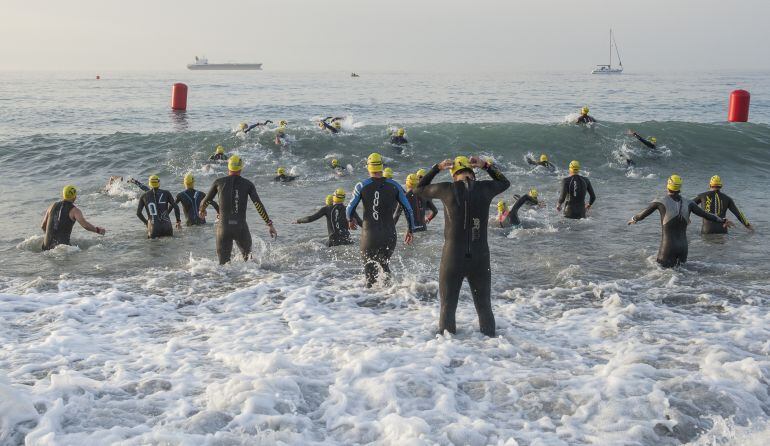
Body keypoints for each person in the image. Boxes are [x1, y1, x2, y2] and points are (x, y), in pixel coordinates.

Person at [413, 155, 510, 337]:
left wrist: (437, 167)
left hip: (452, 258)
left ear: (453, 174)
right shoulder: (486, 188)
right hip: (480, 257)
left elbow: (418, 189)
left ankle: (448, 355)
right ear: (472, 173)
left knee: (447, 308)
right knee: (484, 307)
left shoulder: (446, 189)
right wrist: (486, 166)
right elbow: (505, 182)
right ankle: (493, 352)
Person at [628, 175, 730, 268]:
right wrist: (723, 220)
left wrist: (634, 219)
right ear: (679, 187)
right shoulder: (689, 203)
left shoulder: (659, 201)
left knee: (663, 278)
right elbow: (706, 215)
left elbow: (642, 214)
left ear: (668, 186)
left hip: (668, 248)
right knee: (682, 278)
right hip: (683, 248)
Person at [347, 152, 415, 287]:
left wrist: (350, 220)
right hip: (389, 235)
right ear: (382, 167)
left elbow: (349, 208)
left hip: (370, 235)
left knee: (369, 271)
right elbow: (408, 209)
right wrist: (410, 230)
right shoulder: (394, 185)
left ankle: (370, 303)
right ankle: (391, 299)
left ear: (368, 167)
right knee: (385, 266)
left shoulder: (361, 186)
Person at [199, 155, 277, 264]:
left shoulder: (219, 182)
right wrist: (269, 224)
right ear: (241, 168)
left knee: (223, 266)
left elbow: (205, 202)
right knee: (250, 263)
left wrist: (202, 210)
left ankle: (222, 281)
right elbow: (258, 205)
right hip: (241, 228)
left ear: (228, 167)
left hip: (223, 228)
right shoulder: (248, 184)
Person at [41, 185, 106, 250]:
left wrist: (49, 235)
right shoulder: (75, 211)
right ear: (74, 197)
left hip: (46, 246)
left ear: (63, 195)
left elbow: (43, 226)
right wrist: (98, 230)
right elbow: (85, 225)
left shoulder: (52, 206)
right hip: (62, 249)